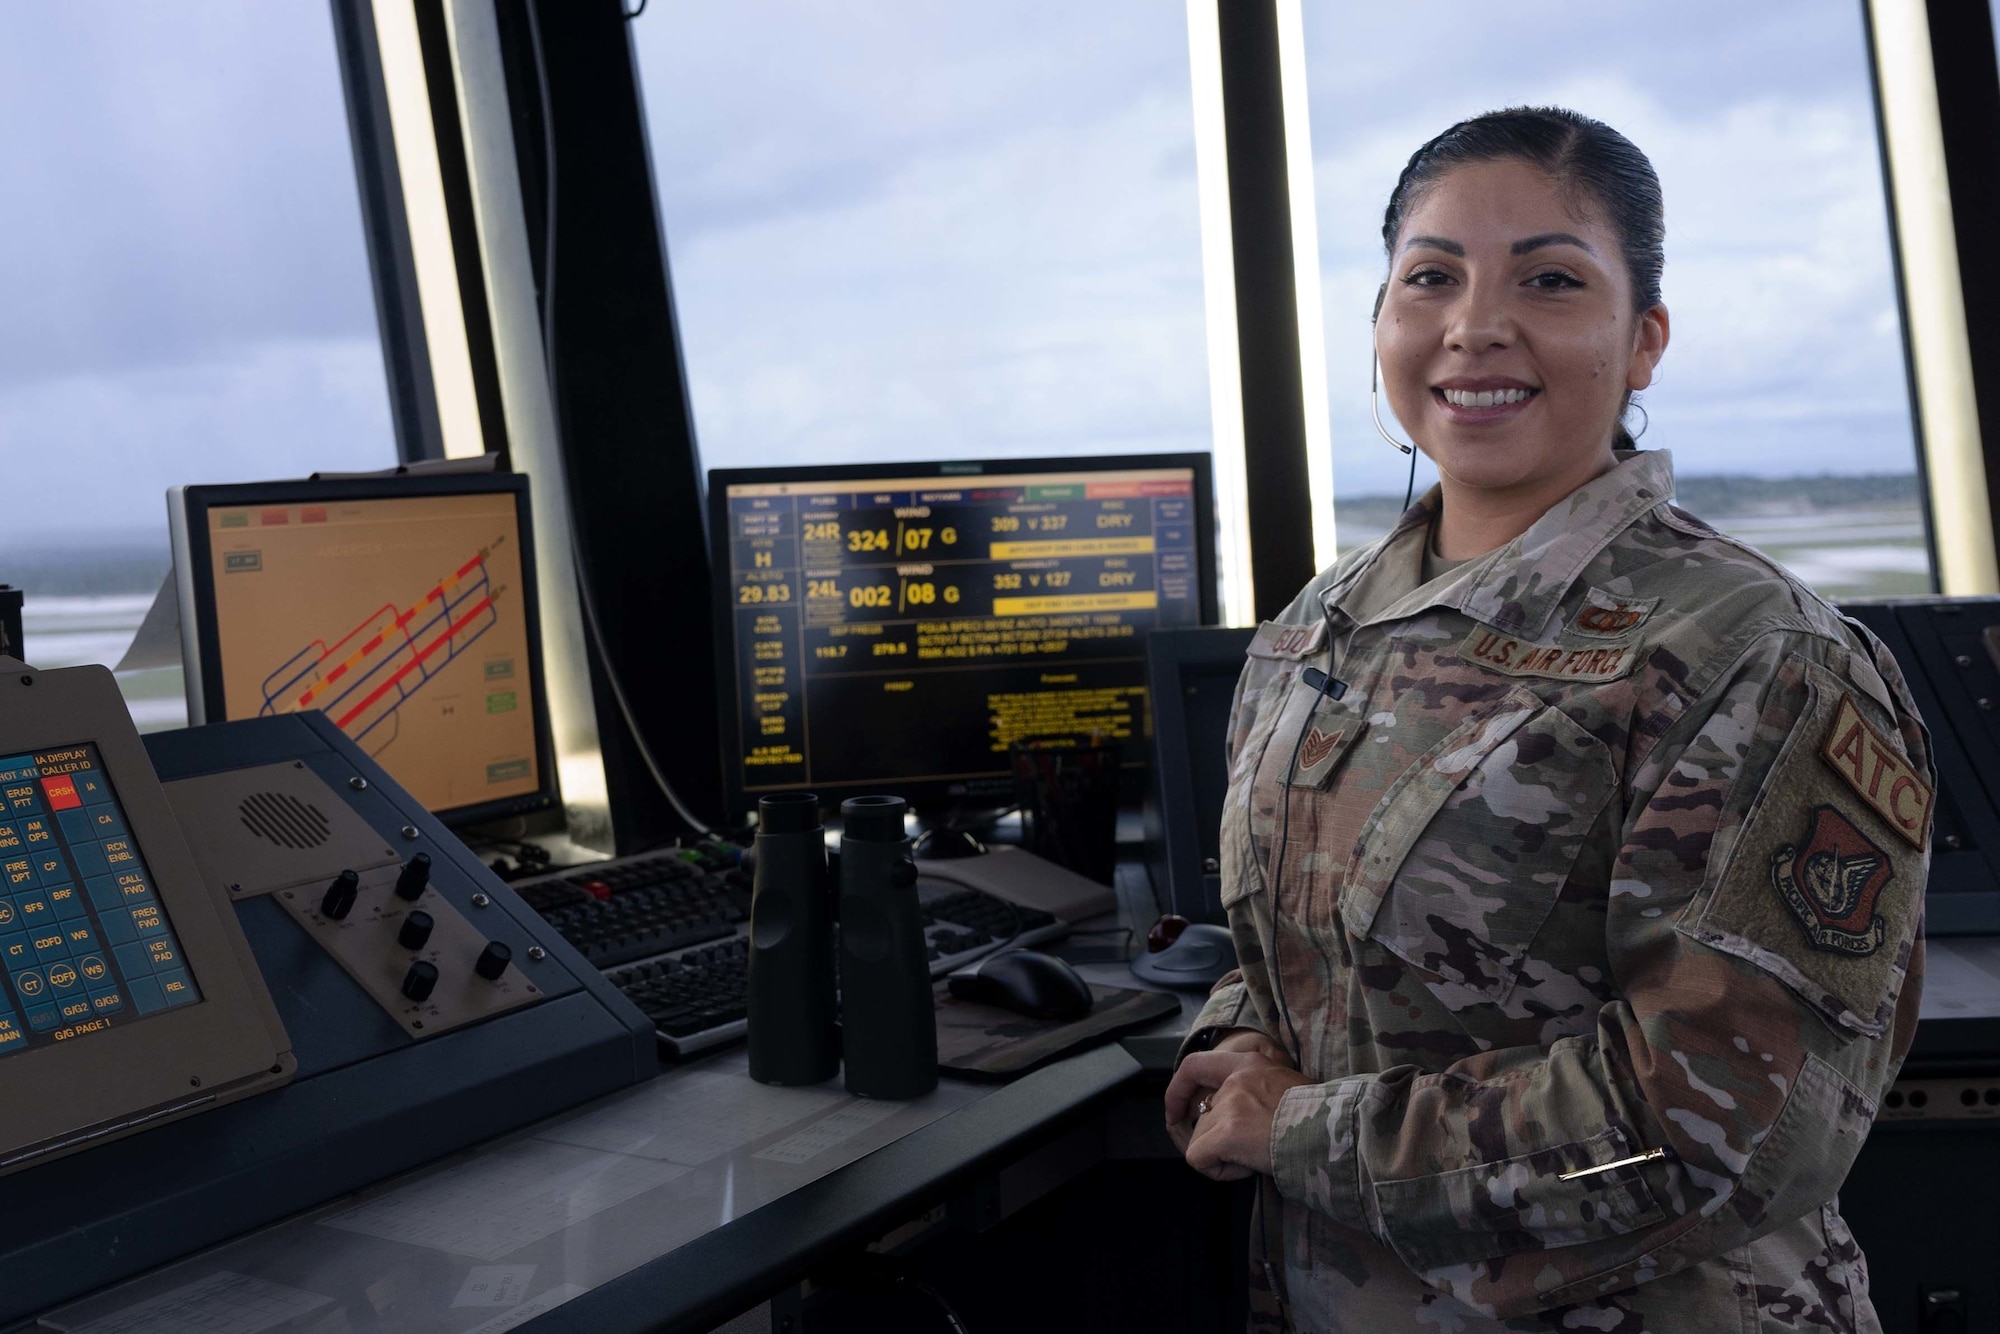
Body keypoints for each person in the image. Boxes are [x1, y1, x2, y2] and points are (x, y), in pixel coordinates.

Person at [1163, 106, 1933, 1332]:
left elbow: (1730, 1131)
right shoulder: (1319, 626)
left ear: (1642, 341)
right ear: (1380, 322)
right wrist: (1236, 1038)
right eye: (1429, 277)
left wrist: (1297, 1128)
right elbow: (1298, 962)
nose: (1473, 324)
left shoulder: (1753, 655)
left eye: (1549, 279)